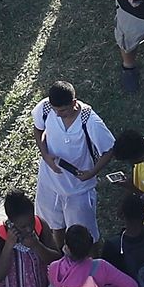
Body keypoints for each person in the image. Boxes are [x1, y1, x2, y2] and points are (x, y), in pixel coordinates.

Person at [33, 81, 117, 238]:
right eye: (55, 109)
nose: (58, 114)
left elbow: (109, 150)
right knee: (51, 228)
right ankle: (58, 258)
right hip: (49, 183)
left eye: (63, 110)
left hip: (78, 190)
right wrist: (45, 155)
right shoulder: (45, 107)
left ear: (74, 103)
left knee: (84, 236)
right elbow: (38, 129)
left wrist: (91, 173)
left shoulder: (90, 121)